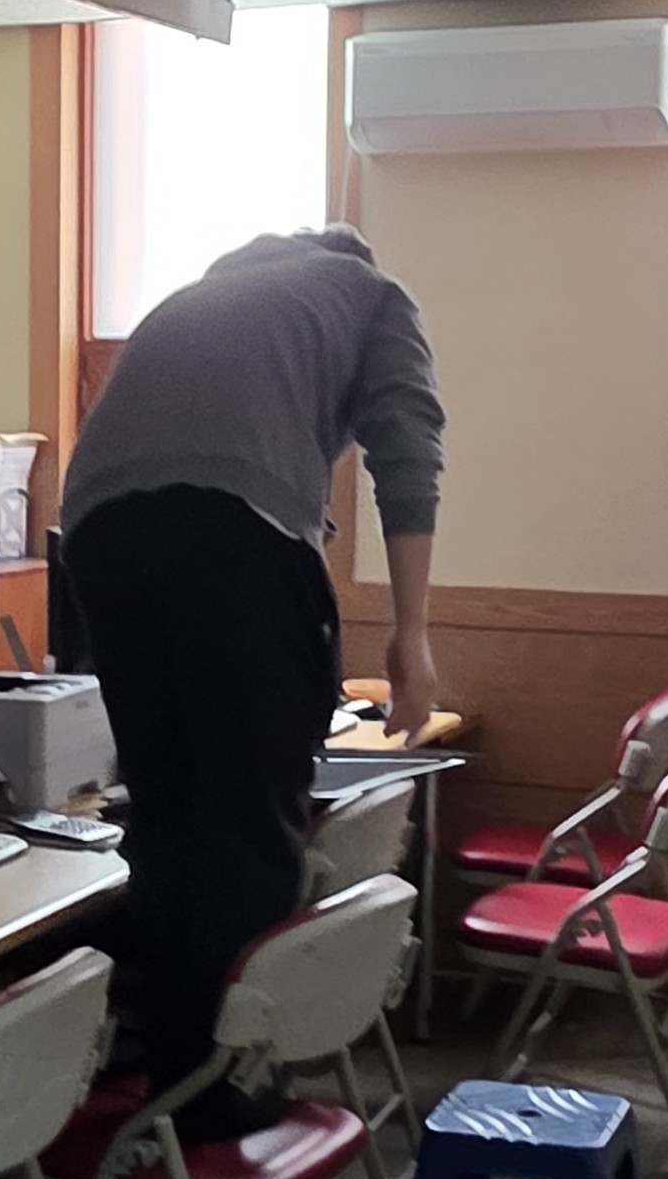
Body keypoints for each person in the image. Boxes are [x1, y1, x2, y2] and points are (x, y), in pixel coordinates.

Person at [60, 224, 445, 1120]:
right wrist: (412, 632)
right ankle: (233, 1096)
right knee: (252, 818)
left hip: (97, 532)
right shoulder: (371, 295)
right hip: (234, 533)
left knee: (167, 814)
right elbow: (408, 452)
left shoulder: (200, 299)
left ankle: (173, 1079)